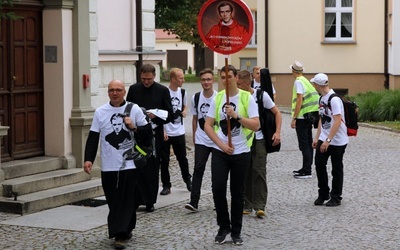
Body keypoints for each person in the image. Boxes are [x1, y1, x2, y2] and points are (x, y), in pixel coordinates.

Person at [83, 80, 153, 249]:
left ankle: (119, 235)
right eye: (112, 90)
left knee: (127, 199)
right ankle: (126, 227)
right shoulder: (100, 112)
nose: (115, 93)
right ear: (108, 93)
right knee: (113, 200)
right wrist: (88, 159)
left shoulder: (134, 109)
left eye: (118, 90)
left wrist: (134, 127)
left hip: (129, 165)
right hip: (108, 165)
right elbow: (93, 138)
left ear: (124, 92)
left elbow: (148, 133)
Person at [204, 65, 259, 245]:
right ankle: (223, 225)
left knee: (237, 192)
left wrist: (236, 116)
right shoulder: (218, 98)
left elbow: (256, 125)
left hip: (241, 151)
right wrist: (220, 144)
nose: (226, 80)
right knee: (218, 188)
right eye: (222, 77)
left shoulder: (246, 97)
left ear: (236, 77)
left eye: (229, 76)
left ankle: (236, 231)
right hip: (221, 151)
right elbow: (207, 125)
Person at [126, 64, 174, 212]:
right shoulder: (134, 89)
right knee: (136, 167)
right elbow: (127, 108)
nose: (146, 82)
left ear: (154, 76)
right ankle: (136, 199)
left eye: (149, 79)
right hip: (137, 135)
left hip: (154, 136)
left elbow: (170, 115)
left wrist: (157, 116)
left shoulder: (162, 91)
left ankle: (149, 200)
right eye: (143, 79)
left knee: (152, 168)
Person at [237, 70, 282, 218]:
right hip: (243, 139)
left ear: (247, 83)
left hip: (259, 138)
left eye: (239, 84)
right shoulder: (237, 96)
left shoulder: (261, 95)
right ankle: (247, 204)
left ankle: (259, 205)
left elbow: (277, 113)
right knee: (245, 172)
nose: (237, 86)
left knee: (259, 170)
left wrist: (277, 132)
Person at [311, 73, 348, 206]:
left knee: (336, 168)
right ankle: (323, 193)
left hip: (337, 140)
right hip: (324, 137)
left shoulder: (334, 100)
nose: (313, 86)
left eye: (314, 84)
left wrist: (328, 140)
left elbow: (337, 121)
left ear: (318, 85)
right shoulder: (321, 98)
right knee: (319, 164)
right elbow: (322, 118)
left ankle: (336, 196)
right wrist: (317, 137)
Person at [184, 68, 218, 212]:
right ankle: (194, 201)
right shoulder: (196, 98)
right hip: (202, 140)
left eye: (209, 79)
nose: (206, 82)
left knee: (217, 172)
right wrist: (195, 136)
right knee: (198, 169)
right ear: (200, 81)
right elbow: (195, 118)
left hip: (217, 139)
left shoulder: (219, 97)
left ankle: (218, 201)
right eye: (203, 80)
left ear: (213, 81)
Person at [160, 68, 192, 195]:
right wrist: (162, 130)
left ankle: (188, 179)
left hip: (179, 130)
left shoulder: (183, 92)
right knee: (164, 160)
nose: (183, 80)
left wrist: (184, 110)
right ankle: (166, 185)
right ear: (173, 79)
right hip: (167, 130)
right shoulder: (164, 92)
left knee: (182, 158)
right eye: (181, 78)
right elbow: (160, 113)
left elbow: (185, 105)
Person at [289, 60, 319, 179]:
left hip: (302, 116)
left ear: (293, 71)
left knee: (304, 144)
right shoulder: (305, 80)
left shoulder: (298, 82)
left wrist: (294, 118)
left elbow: (299, 99)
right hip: (309, 115)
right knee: (308, 142)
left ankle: (307, 170)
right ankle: (306, 167)